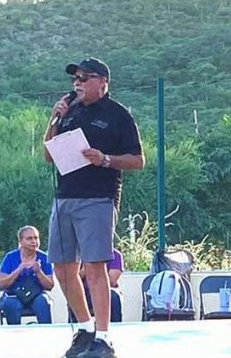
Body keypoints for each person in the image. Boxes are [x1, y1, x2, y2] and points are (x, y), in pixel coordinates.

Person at [44, 57, 144, 358]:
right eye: (75, 78)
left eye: (84, 78)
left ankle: (103, 338)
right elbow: (48, 156)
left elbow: (138, 160)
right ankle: (85, 328)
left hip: (98, 197)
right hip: (65, 196)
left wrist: (105, 159)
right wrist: (54, 119)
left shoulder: (118, 115)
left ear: (102, 82)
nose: (77, 83)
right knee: (62, 266)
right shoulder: (69, 111)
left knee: (94, 266)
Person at [0, 225, 55, 324]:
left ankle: (45, 332)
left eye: (36, 238)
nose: (34, 241)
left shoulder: (44, 258)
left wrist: (39, 272)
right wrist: (18, 270)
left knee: (43, 301)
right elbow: (1, 284)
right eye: (29, 238)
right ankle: (15, 333)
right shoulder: (10, 257)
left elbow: (50, 286)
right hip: (13, 295)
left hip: (37, 295)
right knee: (11, 304)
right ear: (20, 241)